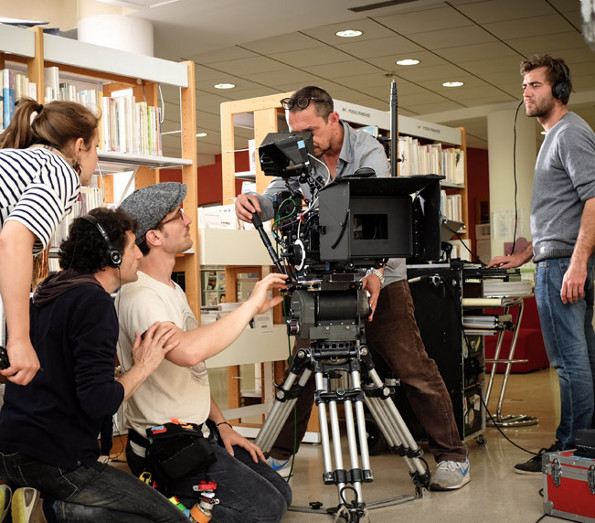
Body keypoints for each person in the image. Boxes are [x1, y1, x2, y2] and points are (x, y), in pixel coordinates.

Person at [235, 86, 470, 491]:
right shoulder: (300, 152)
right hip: (323, 280)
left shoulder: (368, 152)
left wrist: (375, 273)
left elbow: (379, 215)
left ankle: (452, 456)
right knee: (303, 370)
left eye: (308, 131)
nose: (302, 142)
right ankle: (276, 457)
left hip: (383, 277)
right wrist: (255, 200)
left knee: (412, 366)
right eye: (295, 133)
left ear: (333, 120)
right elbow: (280, 194)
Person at [0, 207, 190, 522]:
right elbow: (98, 402)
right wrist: (143, 366)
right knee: (171, 518)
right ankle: (57, 511)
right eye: (132, 247)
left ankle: (32, 503)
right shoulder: (95, 303)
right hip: (58, 462)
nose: (139, 256)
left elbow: (56, 372)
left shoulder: (49, 290)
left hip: (12, 452)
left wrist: (110, 372)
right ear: (112, 256)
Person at [116, 182, 292, 522]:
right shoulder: (139, 297)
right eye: (178, 216)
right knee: (263, 510)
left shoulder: (171, 289)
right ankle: (160, 506)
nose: (187, 221)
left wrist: (223, 425)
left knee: (280, 494)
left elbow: (189, 373)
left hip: (199, 432)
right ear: (153, 236)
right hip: (167, 446)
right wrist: (251, 303)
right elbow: (188, 353)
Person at [488, 55, 595, 474]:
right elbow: (563, 213)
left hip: (566, 265)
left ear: (559, 90)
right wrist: (525, 253)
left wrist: (577, 263)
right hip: (560, 258)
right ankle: (582, 448)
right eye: (525, 86)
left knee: (569, 363)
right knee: (581, 358)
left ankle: (570, 452)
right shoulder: (557, 136)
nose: (526, 93)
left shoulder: (569, 133)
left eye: (535, 85)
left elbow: (593, 199)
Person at [0, 98, 100, 386]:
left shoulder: (22, 163)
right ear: (79, 145)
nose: (97, 159)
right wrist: (19, 340)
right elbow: (14, 240)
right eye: (95, 149)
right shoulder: (60, 170)